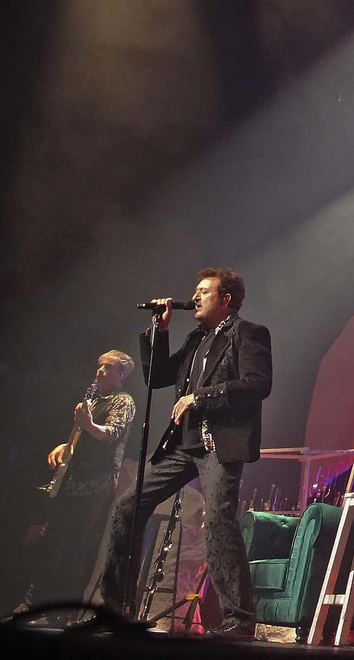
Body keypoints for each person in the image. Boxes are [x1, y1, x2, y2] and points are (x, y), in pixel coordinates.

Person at [98, 268, 272, 636]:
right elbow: (158, 376)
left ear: (225, 299)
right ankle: (115, 610)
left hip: (217, 444)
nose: (194, 296)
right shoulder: (196, 339)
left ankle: (239, 619)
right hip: (181, 445)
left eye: (203, 291)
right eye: (195, 291)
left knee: (220, 523)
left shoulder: (248, 333)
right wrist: (161, 331)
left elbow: (258, 384)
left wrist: (200, 397)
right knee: (128, 506)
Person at [18, 351, 137, 615]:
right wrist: (66, 445)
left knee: (73, 546)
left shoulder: (123, 400)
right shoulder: (92, 397)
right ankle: (32, 602)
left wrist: (90, 424)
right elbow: (81, 436)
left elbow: (111, 434)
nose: (101, 371)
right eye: (100, 366)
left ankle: (63, 610)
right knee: (49, 541)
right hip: (70, 481)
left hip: (96, 484)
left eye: (108, 368)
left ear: (121, 375)